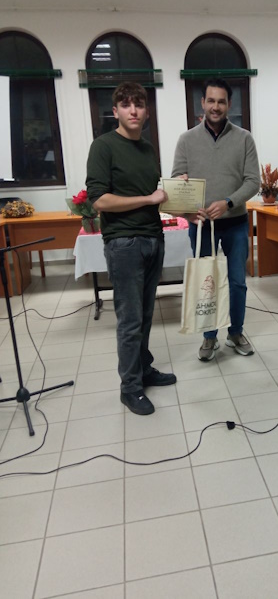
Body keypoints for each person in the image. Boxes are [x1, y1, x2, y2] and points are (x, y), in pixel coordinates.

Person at [86, 82, 176, 415]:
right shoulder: (103, 146)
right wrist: (148, 199)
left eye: (138, 104)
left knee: (146, 314)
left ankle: (144, 369)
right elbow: (99, 200)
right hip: (123, 244)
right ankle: (130, 388)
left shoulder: (148, 149)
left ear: (147, 112)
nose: (133, 110)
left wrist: (179, 199)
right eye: (126, 105)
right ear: (115, 112)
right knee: (130, 320)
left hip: (153, 239)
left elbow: (156, 195)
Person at [172, 78, 260, 361]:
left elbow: (253, 182)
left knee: (237, 283)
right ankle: (209, 337)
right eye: (211, 100)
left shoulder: (244, 138)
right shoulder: (186, 140)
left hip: (235, 222)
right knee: (206, 282)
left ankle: (235, 333)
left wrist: (228, 202)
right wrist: (188, 207)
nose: (216, 106)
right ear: (202, 103)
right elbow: (177, 179)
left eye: (221, 101)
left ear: (229, 104)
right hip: (201, 226)